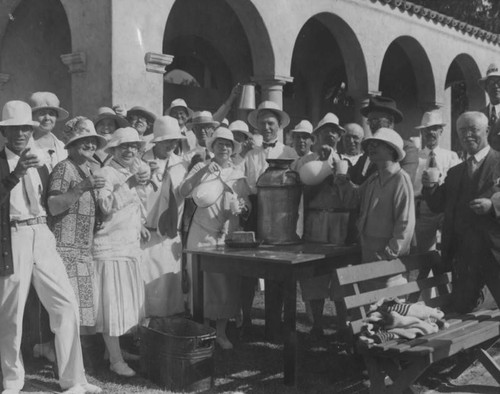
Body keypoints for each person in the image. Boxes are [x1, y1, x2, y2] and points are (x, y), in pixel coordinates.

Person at [0, 100, 101, 394]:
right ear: (4, 134)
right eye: (13, 129)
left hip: (42, 232)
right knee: (11, 313)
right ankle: (12, 380)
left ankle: (74, 380)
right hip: (13, 236)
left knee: (66, 304)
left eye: (25, 128)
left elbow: (50, 204)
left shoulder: (41, 163)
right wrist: (16, 173)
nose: (20, 133)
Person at [422, 112, 500, 313]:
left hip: (496, 253)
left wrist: (493, 206)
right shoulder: (455, 172)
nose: (467, 135)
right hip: (464, 258)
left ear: (487, 131)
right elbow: (438, 204)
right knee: (461, 311)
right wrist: (430, 186)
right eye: (462, 131)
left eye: (473, 129)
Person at [180, 127, 250, 349]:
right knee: (202, 285)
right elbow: (183, 191)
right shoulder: (201, 166)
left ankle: (221, 332)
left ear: (233, 149)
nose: (224, 148)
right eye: (220, 144)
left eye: (228, 144)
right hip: (201, 233)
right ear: (212, 147)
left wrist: (243, 206)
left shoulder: (238, 173)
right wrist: (202, 173)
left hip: (227, 235)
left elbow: (248, 204)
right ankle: (203, 331)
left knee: (225, 284)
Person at [92, 127, 150, 377]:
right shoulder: (105, 172)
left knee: (126, 305)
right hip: (109, 247)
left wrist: (141, 224)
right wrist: (129, 184)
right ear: (113, 149)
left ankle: (112, 352)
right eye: (124, 146)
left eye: (134, 146)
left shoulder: (131, 172)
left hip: (128, 246)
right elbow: (104, 207)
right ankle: (115, 360)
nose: (129, 150)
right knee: (112, 306)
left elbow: (134, 206)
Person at [241, 101, 298, 337]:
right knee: (249, 268)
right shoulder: (250, 155)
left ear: (278, 126)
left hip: (282, 213)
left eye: (271, 123)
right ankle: (245, 318)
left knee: (279, 268)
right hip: (255, 211)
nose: (266, 127)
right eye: (262, 123)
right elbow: (245, 185)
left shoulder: (289, 153)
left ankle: (276, 322)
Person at [298, 114, 357, 335]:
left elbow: (351, 195)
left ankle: (343, 322)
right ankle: (317, 324)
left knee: (341, 273)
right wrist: (320, 168)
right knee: (314, 273)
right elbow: (303, 191)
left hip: (340, 221)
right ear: (316, 135)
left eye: (334, 131)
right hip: (315, 219)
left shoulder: (347, 161)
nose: (330, 135)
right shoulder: (306, 161)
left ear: (339, 136)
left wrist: (338, 173)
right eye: (325, 131)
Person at [47, 117, 107, 329]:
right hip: (65, 252)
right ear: (71, 145)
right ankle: (61, 356)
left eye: (93, 140)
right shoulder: (64, 168)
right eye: (84, 139)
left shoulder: (88, 170)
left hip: (82, 251)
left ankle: (71, 358)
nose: (91, 144)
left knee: (79, 312)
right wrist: (82, 187)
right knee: (68, 310)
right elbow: (53, 205)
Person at [141, 116, 187, 317]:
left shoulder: (182, 165)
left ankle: (167, 330)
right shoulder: (140, 162)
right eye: (167, 140)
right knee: (146, 285)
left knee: (169, 286)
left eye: (175, 140)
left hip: (171, 234)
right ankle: (144, 329)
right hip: (146, 235)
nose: (171, 144)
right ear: (156, 141)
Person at [413, 110, 460, 252]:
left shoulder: (451, 156)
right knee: (424, 252)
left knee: (449, 247)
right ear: (422, 132)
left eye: (434, 129)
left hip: (444, 207)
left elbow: (455, 184)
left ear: (441, 131)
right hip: (423, 208)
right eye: (427, 129)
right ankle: (426, 275)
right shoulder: (415, 157)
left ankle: (445, 273)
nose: (430, 133)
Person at [349, 96, 418, 185]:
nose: (371, 126)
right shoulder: (369, 149)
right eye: (369, 122)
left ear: (390, 122)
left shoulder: (407, 149)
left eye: (375, 121)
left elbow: (403, 183)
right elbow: (351, 176)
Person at [28, 91, 69, 170]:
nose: (47, 118)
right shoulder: (26, 146)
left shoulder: (63, 147)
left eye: (51, 114)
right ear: (32, 116)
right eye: (42, 113)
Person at [478, 63, 500, 127]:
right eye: (491, 83)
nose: (496, 86)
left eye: (499, 82)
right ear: (486, 87)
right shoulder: (480, 115)